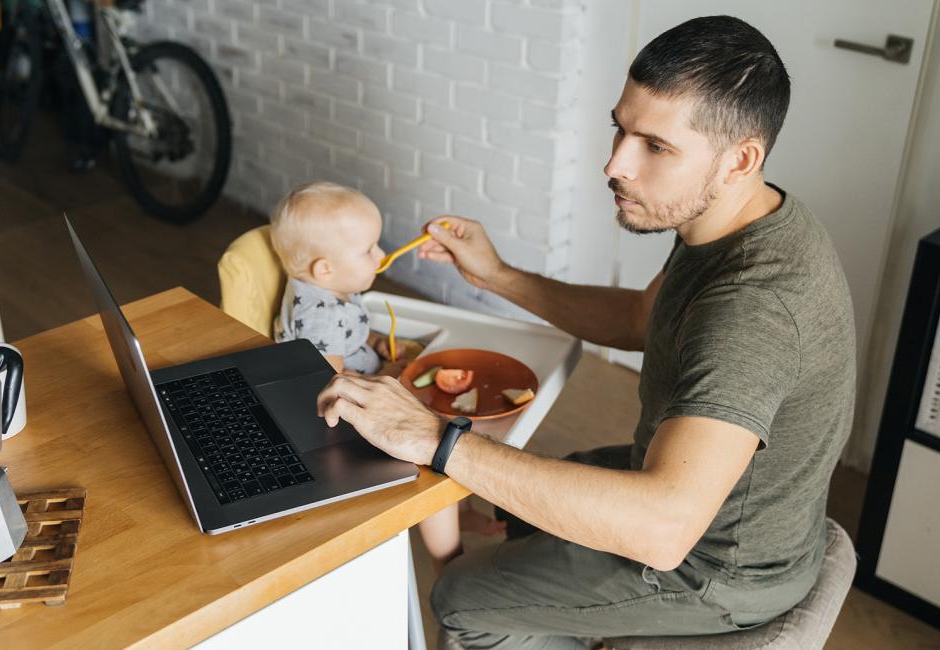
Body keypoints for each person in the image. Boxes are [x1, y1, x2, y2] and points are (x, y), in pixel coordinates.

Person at [315, 15, 855, 649]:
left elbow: (663, 530)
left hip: (713, 571)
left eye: (655, 146)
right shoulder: (737, 220)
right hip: (724, 518)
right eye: (620, 129)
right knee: (513, 507)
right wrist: (497, 276)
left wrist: (434, 436)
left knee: (460, 597)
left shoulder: (753, 310)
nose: (616, 164)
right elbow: (637, 321)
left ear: (740, 159)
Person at [270, 181, 505, 570]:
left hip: (364, 382)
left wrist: (375, 341)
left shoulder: (332, 284)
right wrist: (391, 373)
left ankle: (460, 516)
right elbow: (331, 380)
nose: (381, 256)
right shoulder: (320, 315)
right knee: (440, 458)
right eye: (368, 250)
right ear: (324, 268)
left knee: (453, 430)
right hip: (341, 421)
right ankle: (448, 563)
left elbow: (347, 335)